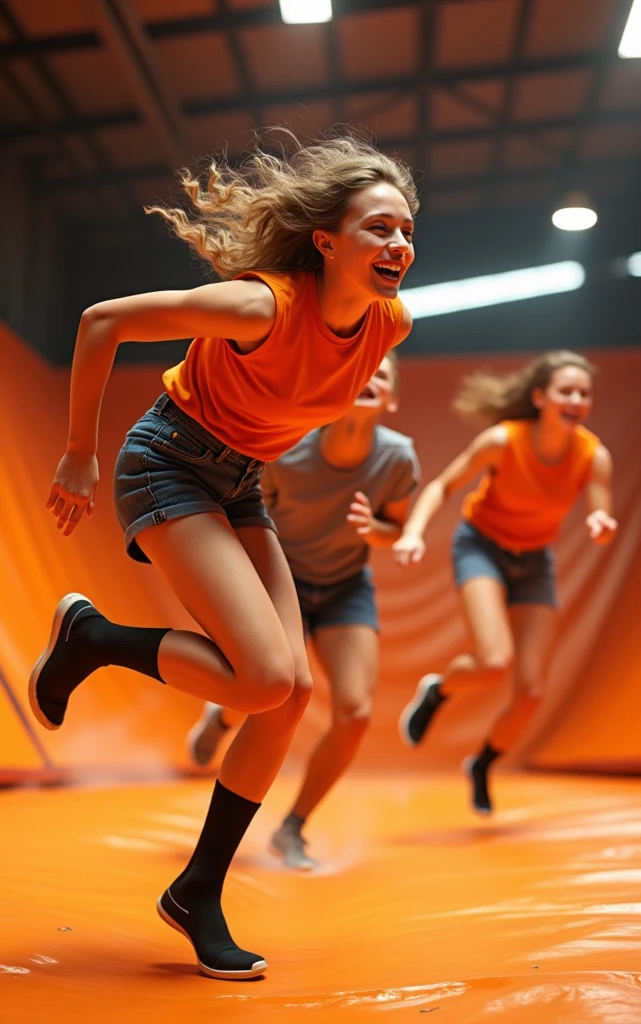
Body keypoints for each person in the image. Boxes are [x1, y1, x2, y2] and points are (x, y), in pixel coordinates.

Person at [28, 134, 417, 980]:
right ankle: (91, 641)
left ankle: (196, 891)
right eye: (378, 228)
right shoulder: (262, 306)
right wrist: (77, 453)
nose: (397, 245)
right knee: (267, 679)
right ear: (327, 241)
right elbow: (105, 321)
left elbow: (290, 405)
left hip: (240, 481)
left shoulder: (389, 322)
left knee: (289, 691)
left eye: (406, 230)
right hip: (167, 460)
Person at [186, 351, 420, 870]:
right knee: (267, 688)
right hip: (283, 576)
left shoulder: (398, 458)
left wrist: (373, 530)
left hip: (344, 586)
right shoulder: (290, 447)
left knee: (356, 712)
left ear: (393, 398)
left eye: (382, 376)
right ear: (340, 385)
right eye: (362, 371)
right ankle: (220, 717)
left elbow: (396, 529)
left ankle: (292, 827)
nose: (370, 379)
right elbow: (246, 509)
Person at [394, 351, 617, 815]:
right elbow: (442, 486)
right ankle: (438, 692)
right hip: (482, 547)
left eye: (583, 393)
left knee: (531, 693)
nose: (575, 400)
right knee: (493, 661)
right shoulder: (502, 440)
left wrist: (600, 521)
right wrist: (413, 532)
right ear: (540, 397)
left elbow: (600, 506)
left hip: (534, 561)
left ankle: (482, 763)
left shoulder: (593, 457)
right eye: (565, 391)